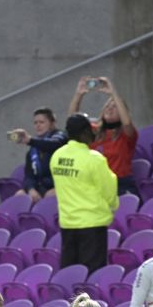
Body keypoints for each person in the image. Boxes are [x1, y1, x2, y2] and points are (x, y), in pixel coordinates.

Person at [51, 113, 118, 273]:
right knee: (92, 275)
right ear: (84, 133)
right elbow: (108, 188)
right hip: (92, 224)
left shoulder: (57, 156)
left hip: (68, 223)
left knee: (70, 274)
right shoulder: (94, 159)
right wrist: (113, 204)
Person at [67, 76, 139, 195]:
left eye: (114, 106)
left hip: (119, 185)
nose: (110, 109)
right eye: (107, 106)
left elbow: (126, 123)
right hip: (95, 184)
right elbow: (72, 122)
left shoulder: (126, 134)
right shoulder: (95, 131)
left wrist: (113, 93)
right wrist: (78, 94)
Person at [10, 107, 68, 203]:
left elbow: (53, 145)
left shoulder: (60, 135)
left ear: (52, 124)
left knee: (51, 195)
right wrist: (30, 189)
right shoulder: (33, 148)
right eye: (35, 123)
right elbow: (29, 176)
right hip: (40, 187)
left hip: (60, 186)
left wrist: (30, 140)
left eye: (41, 122)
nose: (38, 126)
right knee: (19, 196)